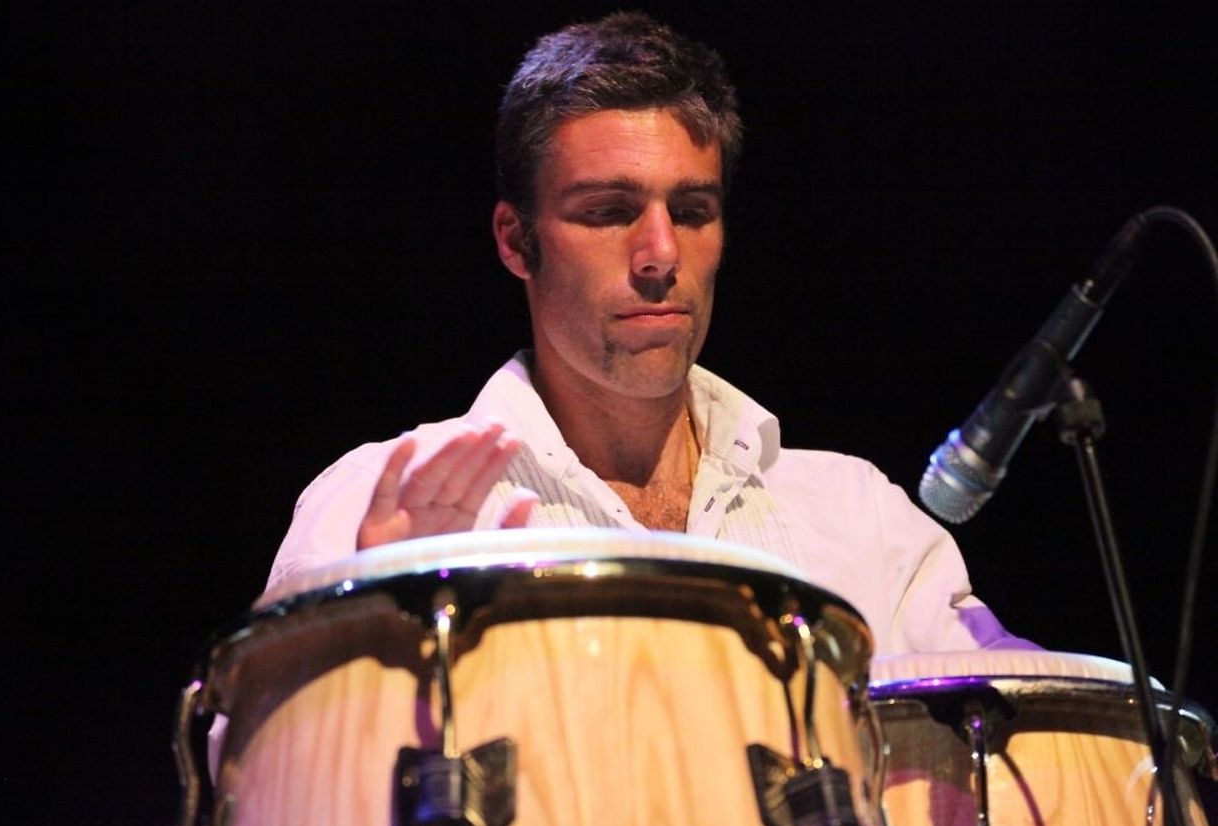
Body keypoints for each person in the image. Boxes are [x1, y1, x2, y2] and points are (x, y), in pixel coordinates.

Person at [266, 11, 1031, 655]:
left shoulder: (858, 518)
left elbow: (1027, 730)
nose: (662, 253)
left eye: (692, 211)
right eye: (609, 212)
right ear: (515, 240)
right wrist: (365, 639)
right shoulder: (374, 504)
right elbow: (253, 762)